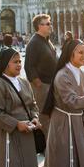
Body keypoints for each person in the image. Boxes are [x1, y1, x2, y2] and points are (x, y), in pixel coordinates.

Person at [25, 14, 58, 142]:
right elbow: (29, 66)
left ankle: (50, 143)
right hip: (42, 86)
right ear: (39, 26)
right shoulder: (34, 43)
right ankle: (47, 144)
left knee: (50, 115)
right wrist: (38, 83)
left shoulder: (46, 41)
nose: (51, 25)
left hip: (50, 84)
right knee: (44, 116)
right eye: (48, 23)